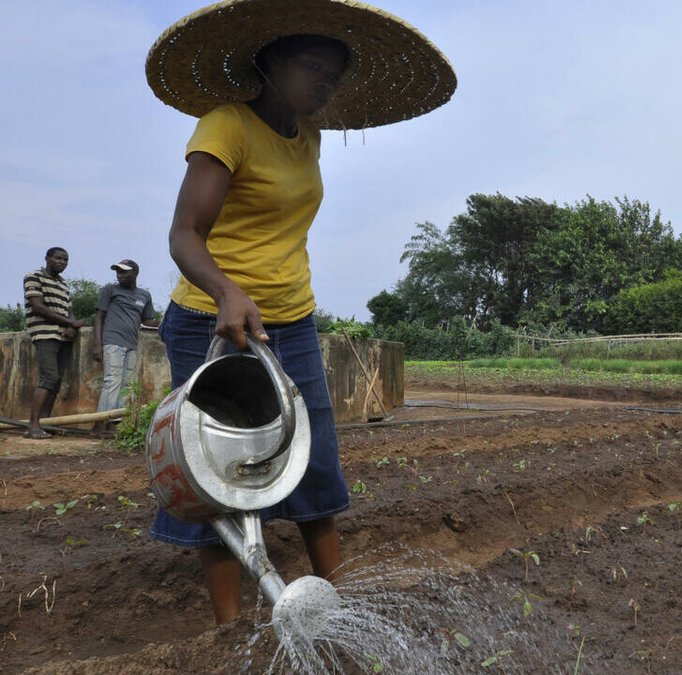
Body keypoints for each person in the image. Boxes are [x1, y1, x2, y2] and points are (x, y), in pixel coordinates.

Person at [144, 0, 455, 625]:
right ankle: (228, 628)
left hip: (291, 320)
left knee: (314, 457)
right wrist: (228, 292)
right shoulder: (226, 127)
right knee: (219, 470)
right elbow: (184, 235)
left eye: (333, 76)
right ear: (271, 63)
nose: (324, 84)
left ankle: (335, 606)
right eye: (313, 67)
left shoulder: (309, 136)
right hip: (215, 320)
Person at [22, 247, 87, 439]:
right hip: (44, 334)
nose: (62, 262)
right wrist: (70, 323)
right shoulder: (34, 276)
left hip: (63, 336)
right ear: (47, 258)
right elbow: (38, 307)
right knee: (48, 377)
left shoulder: (63, 284)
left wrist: (72, 327)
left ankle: (45, 423)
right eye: (58, 258)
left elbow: (69, 311)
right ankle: (32, 426)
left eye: (65, 260)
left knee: (56, 381)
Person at [91, 259, 158, 436]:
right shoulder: (110, 290)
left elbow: (147, 320)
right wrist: (97, 344)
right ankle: (99, 425)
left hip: (131, 344)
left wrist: (167, 322)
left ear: (135, 273)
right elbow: (99, 316)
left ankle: (114, 425)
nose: (119, 275)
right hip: (112, 341)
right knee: (112, 381)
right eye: (117, 272)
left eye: (123, 272)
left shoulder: (144, 295)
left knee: (126, 385)